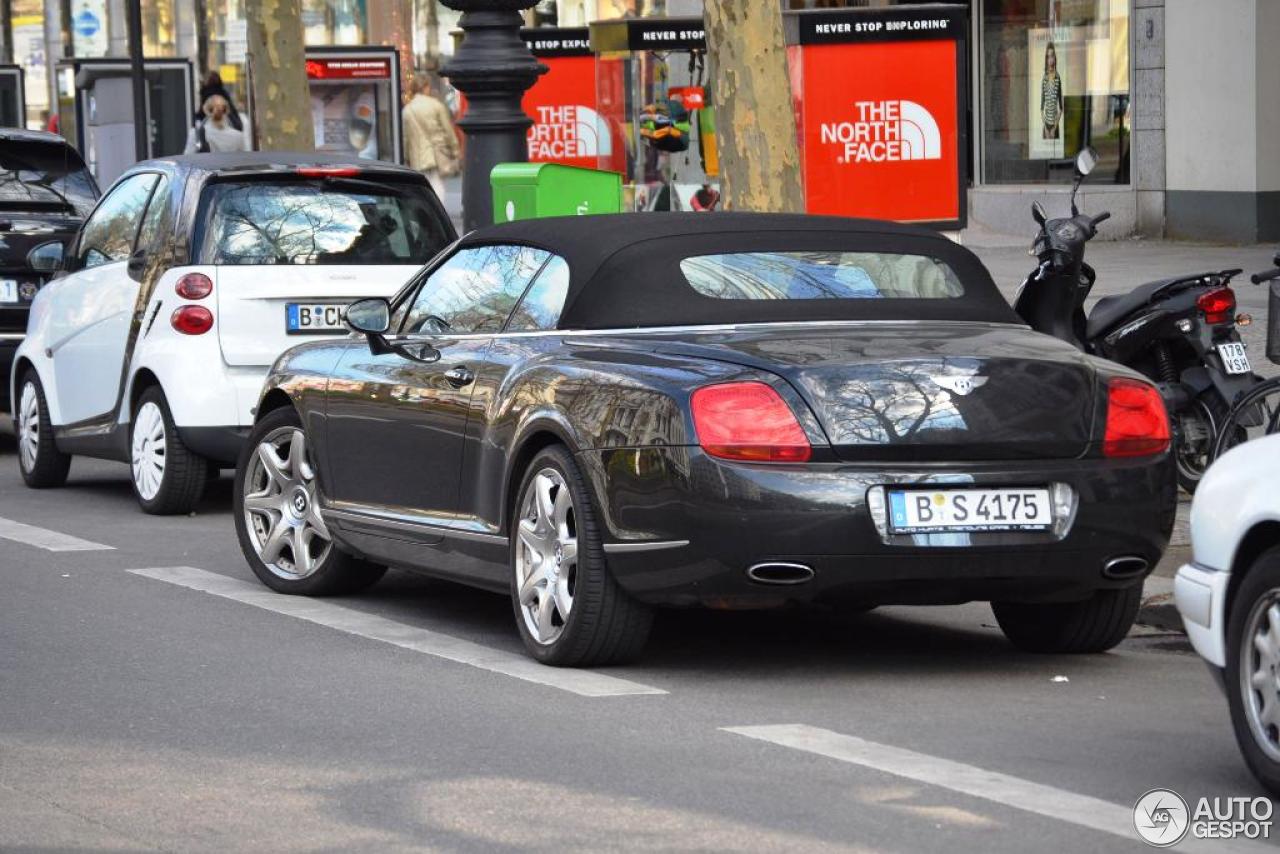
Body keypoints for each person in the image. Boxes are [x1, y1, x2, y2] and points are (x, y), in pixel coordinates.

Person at [402, 73, 461, 200]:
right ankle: (438, 213)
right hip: (436, 153)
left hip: (417, 155)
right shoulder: (436, 106)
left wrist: (407, 157)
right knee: (437, 184)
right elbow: (448, 130)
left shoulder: (407, 110)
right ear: (426, 87)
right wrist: (455, 151)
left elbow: (406, 138)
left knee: (422, 187)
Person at [184, 95, 250, 154]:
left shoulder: (195, 134)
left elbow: (188, 159)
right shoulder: (238, 136)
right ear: (226, 111)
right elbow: (244, 160)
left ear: (206, 110)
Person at [1041, 41, 1064, 141]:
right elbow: (1042, 107)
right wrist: (1046, 128)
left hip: (1055, 126)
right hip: (1046, 126)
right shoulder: (1044, 78)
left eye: (1052, 56)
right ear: (1046, 59)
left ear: (1055, 58)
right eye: (1048, 56)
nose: (1050, 59)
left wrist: (1054, 127)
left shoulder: (1058, 78)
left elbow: (1061, 108)